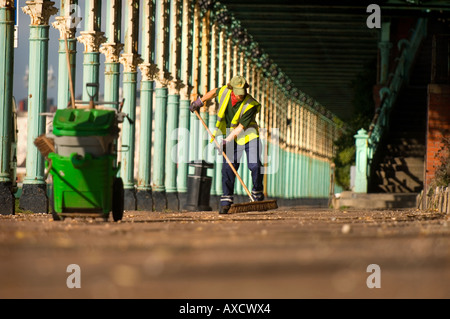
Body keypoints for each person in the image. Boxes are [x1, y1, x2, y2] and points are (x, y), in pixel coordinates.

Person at [190, 75, 265, 214]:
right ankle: (226, 199)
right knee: (228, 168)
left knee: (255, 165)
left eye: (243, 93)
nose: (241, 97)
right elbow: (213, 92)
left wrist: (226, 140)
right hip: (232, 135)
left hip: (249, 135)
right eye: (238, 94)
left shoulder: (251, 104)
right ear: (231, 90)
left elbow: (241, 127)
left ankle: (257, 191)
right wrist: (199, 101)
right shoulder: (225, 91)